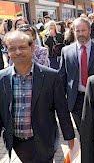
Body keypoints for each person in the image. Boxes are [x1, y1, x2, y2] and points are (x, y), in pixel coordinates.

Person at [0, 31, 75, 162]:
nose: (17, 52)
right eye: (12, 49)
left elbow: (62, 111)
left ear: (32, 47)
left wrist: (70, 138)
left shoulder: (51, 76)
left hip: (43, 140)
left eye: (22, 47)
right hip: (17, 142)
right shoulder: (2, 78)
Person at [59, 17, 94, 133]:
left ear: (89, 31)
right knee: (83, 132)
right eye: (77, 31)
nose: (80, 34)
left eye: (83, 30)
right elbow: (62, 77)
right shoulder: (66, 51)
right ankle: (86, 150)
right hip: (76, 99)